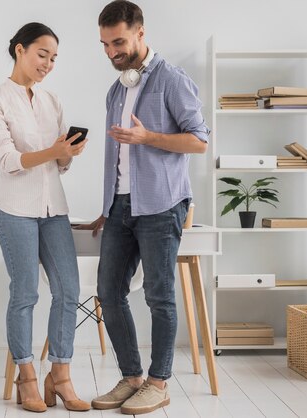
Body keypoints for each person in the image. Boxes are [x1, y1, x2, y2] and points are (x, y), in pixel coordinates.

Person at [83, 1, 210, 415]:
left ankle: (158, 382)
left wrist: (149, 137)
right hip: (120, 207)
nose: (111, 52)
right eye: (104, 44)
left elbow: (199, 141)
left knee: (159, 295)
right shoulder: (116, 89)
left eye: (118, 41)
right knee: (108, 292)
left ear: (140, 32)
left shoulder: (172, 80)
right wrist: (107, 205)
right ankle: (132, 377)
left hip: (161, 205)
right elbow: (114, 158)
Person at [0, 22, 90, 413]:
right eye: (42, 54)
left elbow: (58, 167)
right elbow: (10, 162)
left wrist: (67, 153)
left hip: (53, 210)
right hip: (13, 212)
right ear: (20, 50)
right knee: (26, 293)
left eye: (54, 58)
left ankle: (59, 376)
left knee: (69, 292)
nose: (48, 63)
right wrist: (53, 150)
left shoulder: (51, 100)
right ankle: (26, 376)